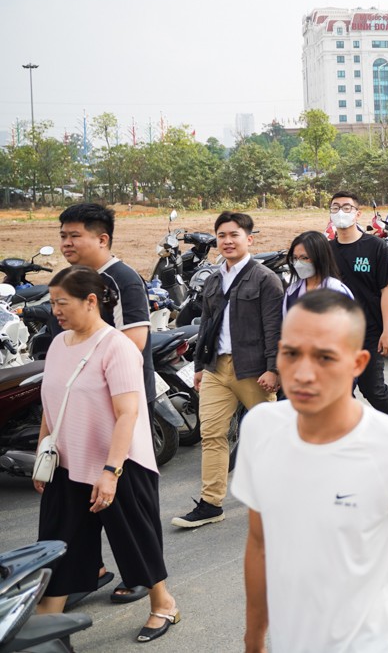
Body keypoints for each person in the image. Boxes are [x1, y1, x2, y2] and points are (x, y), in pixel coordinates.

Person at [232, 290, 388, 653]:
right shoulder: (261, 428)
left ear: (358, 363)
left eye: (325, 357)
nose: (304, 373)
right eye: (291, 353)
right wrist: (254, 636)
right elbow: (260, 543)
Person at [36, 266, 178, 643]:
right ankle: (48, 622)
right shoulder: (57, 344)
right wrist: (42, 451)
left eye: (61, 302)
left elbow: (128, 412)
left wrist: (111, 471)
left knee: (135, 540)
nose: (56, 311)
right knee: (58, 542)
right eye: (52, 303)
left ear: (91, 301)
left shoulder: (116, 347)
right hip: (67, 463)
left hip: (119, 463)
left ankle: (163, 603)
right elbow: (52, 404)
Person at [57, 203, 156, 605]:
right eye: (62, 235)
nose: (65, 242)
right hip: (83, 415)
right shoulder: (73, 281)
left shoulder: (123, 279)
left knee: (128, 506)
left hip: (120, 409)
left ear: (102, 239)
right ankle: (91, 569)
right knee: (83, 499)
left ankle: (146, 579)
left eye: (74, 235)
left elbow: (134, 343)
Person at [172, 212, 283, 529]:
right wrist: (199, 366)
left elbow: (275, 328)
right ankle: (210, 503)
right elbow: (206, 325)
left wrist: (274, 369)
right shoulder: (213, 280)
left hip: (253, 369)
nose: (227, 241)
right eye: (222, 235)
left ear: (249, 239)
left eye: (234, 235)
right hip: (216, 369)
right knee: (211, 435)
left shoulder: (265, 279)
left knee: (268, 438)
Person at [328, 192, 388, 422]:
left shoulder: (375, 247)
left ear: (358, 213)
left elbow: (386, 289)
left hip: (369, 331)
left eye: (347, 207)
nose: (341, 212)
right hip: (336, 335)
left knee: (373, 389)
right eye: (335, 207)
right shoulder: (326, 250)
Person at [283, 230, 355, 316]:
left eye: (305, 258)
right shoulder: (292, 292)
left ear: (320, 257)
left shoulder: (337, 291)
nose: (298, 264)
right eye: (295, 258)